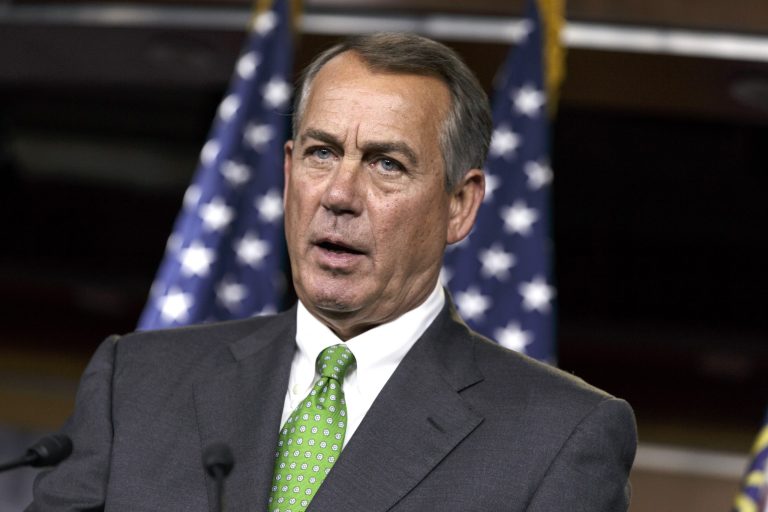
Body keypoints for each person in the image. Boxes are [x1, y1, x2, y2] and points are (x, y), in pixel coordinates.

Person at [27, 33, 636, 511]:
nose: (339, 194)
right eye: (322, 153)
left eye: (386, 163)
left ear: (460, 206)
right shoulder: (134, 384)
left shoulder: (559, 437)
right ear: (289, 171)